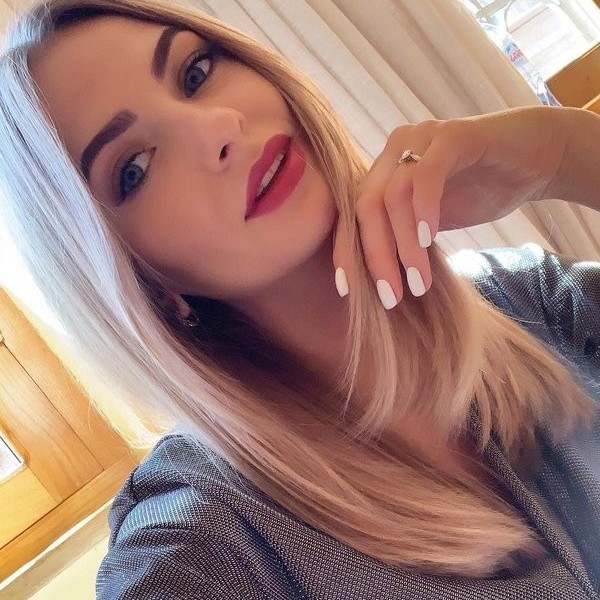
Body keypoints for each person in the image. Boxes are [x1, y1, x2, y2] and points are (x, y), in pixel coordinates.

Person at [0, 0, 599, 598]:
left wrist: (564, 155)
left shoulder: (527, 296)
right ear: (135, 277)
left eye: (195, 73)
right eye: (134, 167)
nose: (218, 127)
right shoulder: (203, 541)